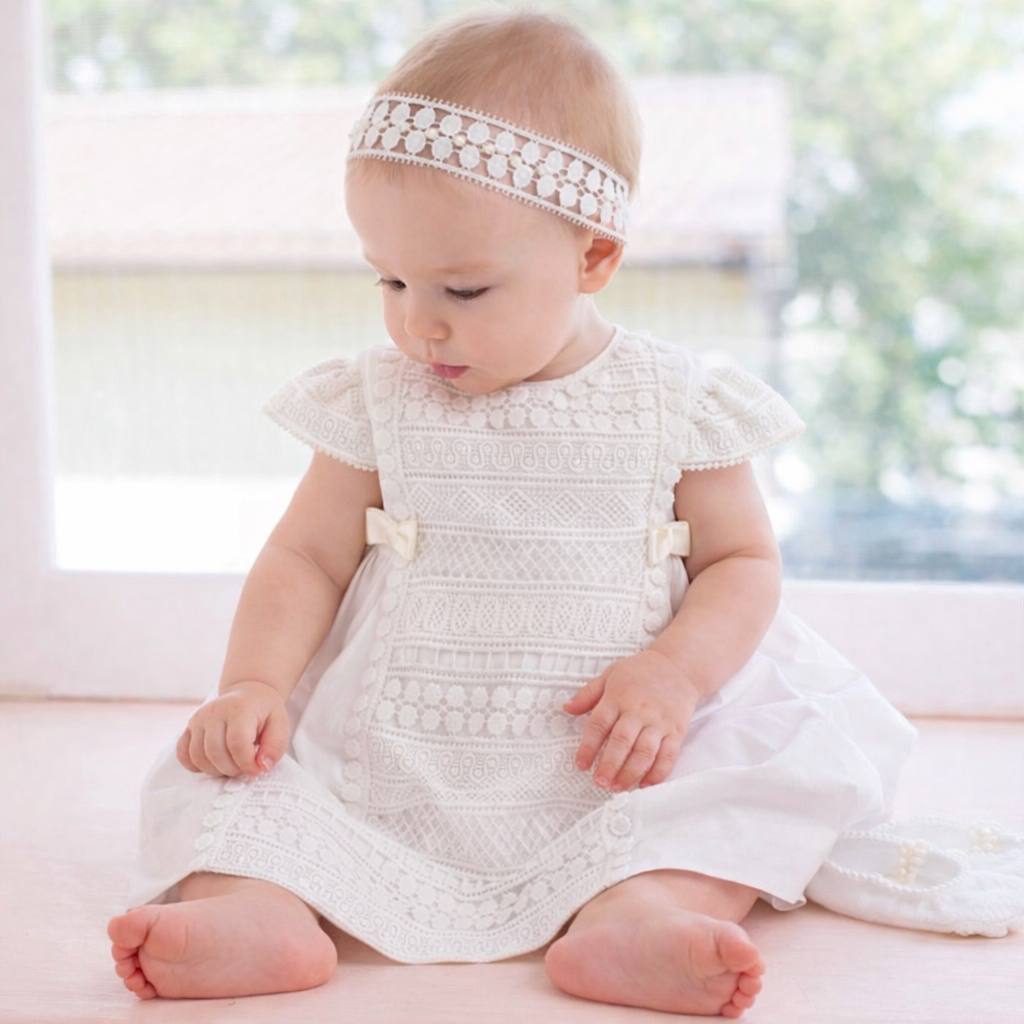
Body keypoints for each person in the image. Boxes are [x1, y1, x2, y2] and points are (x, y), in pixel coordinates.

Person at [106, 7, 1024, 1015]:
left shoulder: (675, 402)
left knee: (769, 766)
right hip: (400, 729)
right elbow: (306, 558)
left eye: (463, 288)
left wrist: (675, 673)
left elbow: (741, 563)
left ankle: (643, 907)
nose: (418, 321)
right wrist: (255, 685)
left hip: (619, 746)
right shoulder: (376, 399)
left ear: (593, 257)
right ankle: (258, 904)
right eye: (391, 278)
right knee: (226, 775)